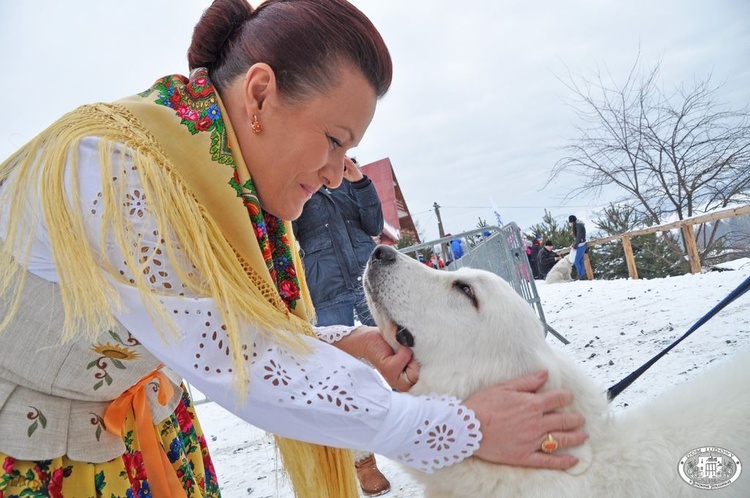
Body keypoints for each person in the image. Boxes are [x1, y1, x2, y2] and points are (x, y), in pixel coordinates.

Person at [0, 1, 588, 497]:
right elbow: (247, 364)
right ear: (259, 95)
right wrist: (459, 428)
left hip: (136, 435)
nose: (336, 174)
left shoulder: (216, 172)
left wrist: (346, 343)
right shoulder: (119, 173)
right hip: (40, 457)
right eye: (333, 141)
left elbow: (229, 326)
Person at [293, 155, 390, 495]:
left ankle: (429, 427)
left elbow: (375, 223)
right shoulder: (301, 181)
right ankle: (365, 464)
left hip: (369, 284)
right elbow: (288, 235)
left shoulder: (353, 178)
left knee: (402, 352)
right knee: (343, 377)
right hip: (328, 291)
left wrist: (361, 182)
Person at [568, 215, 588, 280]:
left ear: (572, 221)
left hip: (581, 245)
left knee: (576, 261)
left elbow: (579, 236)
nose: (570, 224)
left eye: (570, 222)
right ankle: (582, 275)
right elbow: (578, 237)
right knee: (581, 260)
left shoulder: (578, 225)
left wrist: (575, 245)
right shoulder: (578, 225)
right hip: (581, 244)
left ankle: (580, 275)